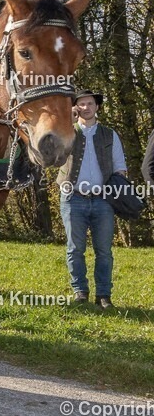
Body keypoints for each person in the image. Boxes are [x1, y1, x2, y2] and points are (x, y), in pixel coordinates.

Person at [56, 90, 127, 309]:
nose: (86, 107)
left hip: (103, 200)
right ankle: (80, 291)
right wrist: (67, 118)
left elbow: (120, 168)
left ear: (97, 107)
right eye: (81, 104)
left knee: (104, 250)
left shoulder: (109, 134)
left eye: (90, 104)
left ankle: (104, 295)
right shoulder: (66, 132)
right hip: (72, 198)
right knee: (75, 248)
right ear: (75, 108)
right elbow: (54, 156)